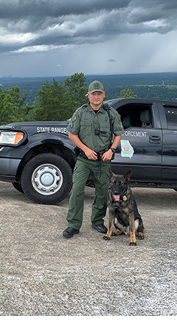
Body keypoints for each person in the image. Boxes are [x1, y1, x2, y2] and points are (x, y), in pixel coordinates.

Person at [63, 80, 124, 238]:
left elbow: (118, 133)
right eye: (93, 94)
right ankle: (73, 225)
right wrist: (86, 149)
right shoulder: (81, 112)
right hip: (85, 159)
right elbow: (72, 134)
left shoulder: (111, 113)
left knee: (102, 192)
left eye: (99, 94)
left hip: (103, 159)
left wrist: (111, 150)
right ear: (88, 95)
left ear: (103, 95)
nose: (96, 97)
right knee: (77, 190)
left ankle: (97, 221)